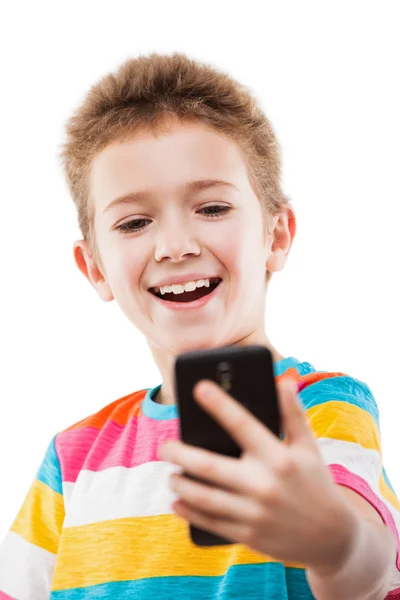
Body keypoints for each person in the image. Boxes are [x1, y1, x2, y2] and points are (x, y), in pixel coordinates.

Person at [0, 52, 399, 600]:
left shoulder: (322, 410)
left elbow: (367, 568)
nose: (175, 246)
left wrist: (335, 542)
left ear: (276, 236)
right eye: (135, 222)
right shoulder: (72, 459)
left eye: (211, 208)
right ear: (95, 268)